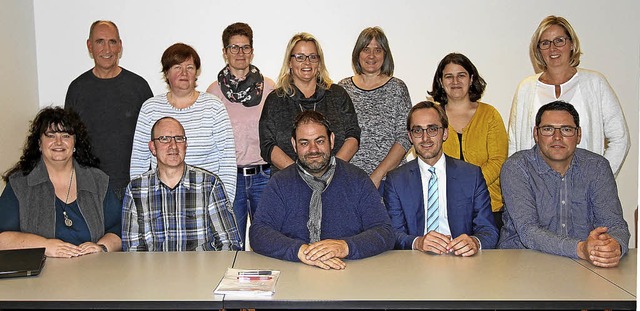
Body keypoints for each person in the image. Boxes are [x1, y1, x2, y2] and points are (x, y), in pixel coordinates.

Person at [250, 111, 394, 270]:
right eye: (304, 143)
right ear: (294, 144)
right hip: (294, 271)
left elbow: (384, 231)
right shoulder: (280, 183)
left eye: (319, 141)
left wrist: (345, 246)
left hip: (349, 270)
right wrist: (300, 251)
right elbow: (258, 233)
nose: (313, 150)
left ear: (331, 140)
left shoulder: (357, 179)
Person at [499, 101, 630, 268]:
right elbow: (529, 232)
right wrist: (581, 248)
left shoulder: (597, 167)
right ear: (536, 134)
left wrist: (613, 246)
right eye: (548, 129)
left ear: (579, 135)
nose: (557, 137)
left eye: (566, 129)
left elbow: (614, 223)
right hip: (523, 263)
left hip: (583, 266)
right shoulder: (517, 167)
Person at [508, 15, 629, 176]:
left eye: (559, 40)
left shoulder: (595, 83)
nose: (553, 49)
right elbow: (515, 145)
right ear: (538, 50)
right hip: (535, 189)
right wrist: (519, 184)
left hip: (583, 188)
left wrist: (599, 180)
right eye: (545, 43)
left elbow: (620, 138)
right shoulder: (526, 88)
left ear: (571, 44)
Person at [0, 107, 122, 258]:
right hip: (40, 277)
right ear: (39, 143)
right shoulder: (19, 184)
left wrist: (102, 247)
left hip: (93, 272)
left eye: (66, 135)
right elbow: (3, 238)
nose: (58, 142)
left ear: (75, 143)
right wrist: (46, 245)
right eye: (50, 136)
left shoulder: (98, 180)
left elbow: (120, 228)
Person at [384, 101, 498, 256]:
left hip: (462, 260)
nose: (425, 138)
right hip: (415, 262)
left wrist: (474, 242)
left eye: (432, 129)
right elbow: (393, 233)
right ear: (410, 137)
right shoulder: (396, 180)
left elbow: (489, 230)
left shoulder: (471, 175)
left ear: (445, 133)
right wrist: (418, 242)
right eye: (418, 130)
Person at [130, 43, 237, 204]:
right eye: (177, 67)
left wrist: (223, 202)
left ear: (196, 73)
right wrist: (141, 201)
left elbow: (227, 160)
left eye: (190, 67)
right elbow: (139, 161)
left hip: (207, 200)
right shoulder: (150, 108)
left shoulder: (214, 106)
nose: (184, 73)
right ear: (166, 72)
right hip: (160, 201)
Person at [122, 117, 242, 251]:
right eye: (164, 139)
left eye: (179, 139)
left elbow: (229, 244)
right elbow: (133, 250)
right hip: (154, 270)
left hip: (203, 269)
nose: (173, 145)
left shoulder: (209, 185)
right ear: (153, 147)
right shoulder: (136, 190)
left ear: (186, 145)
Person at [65, 20, 153, 201]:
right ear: (90, 46)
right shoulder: (77, 88)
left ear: (120, 46)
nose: (107, 49)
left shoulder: (138, 86)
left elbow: (154, 137)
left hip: (133, 188)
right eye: (100, 42)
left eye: (112, 42)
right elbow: (68, 139)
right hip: (88, 189)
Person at [206, 23, 275, 246]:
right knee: (231, 243)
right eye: (234, 47)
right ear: (224, 52)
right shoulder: (213, 92)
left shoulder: (269, 87)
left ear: (252, 51)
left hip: (263, 176)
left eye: (245, 47)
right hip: (229, 178)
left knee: (267, 239)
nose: (240, 53)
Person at [259, 32, 361, 175]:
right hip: (289, 181)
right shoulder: (275, 100)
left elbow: (353, 136)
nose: (307, 63)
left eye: (313, 57)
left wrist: (330, 173)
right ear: (289, 62)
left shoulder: (337, 95)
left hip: (334, 180)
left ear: (319, 62)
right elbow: (267, 145)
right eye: (300, 57)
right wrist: (301, 176)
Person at [428, 53, 508, 228]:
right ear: (441, 82)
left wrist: (469, 187)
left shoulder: (490, 115)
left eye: (461, 75)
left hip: (488, 207)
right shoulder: (431, 115)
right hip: (441, 208)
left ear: (471, 79)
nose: (455, 81)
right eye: (448, 76)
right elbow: (426, 157)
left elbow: (498, 160)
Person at [338, 27, 411, 191]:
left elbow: (405, 137)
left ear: (385, 55)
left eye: (378, 50)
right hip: (350, 183)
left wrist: (377, 175)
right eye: (366, 49)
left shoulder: (397, 88)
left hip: (389, 181)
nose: (371, 56)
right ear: (358, 53)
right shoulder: (342, 88)